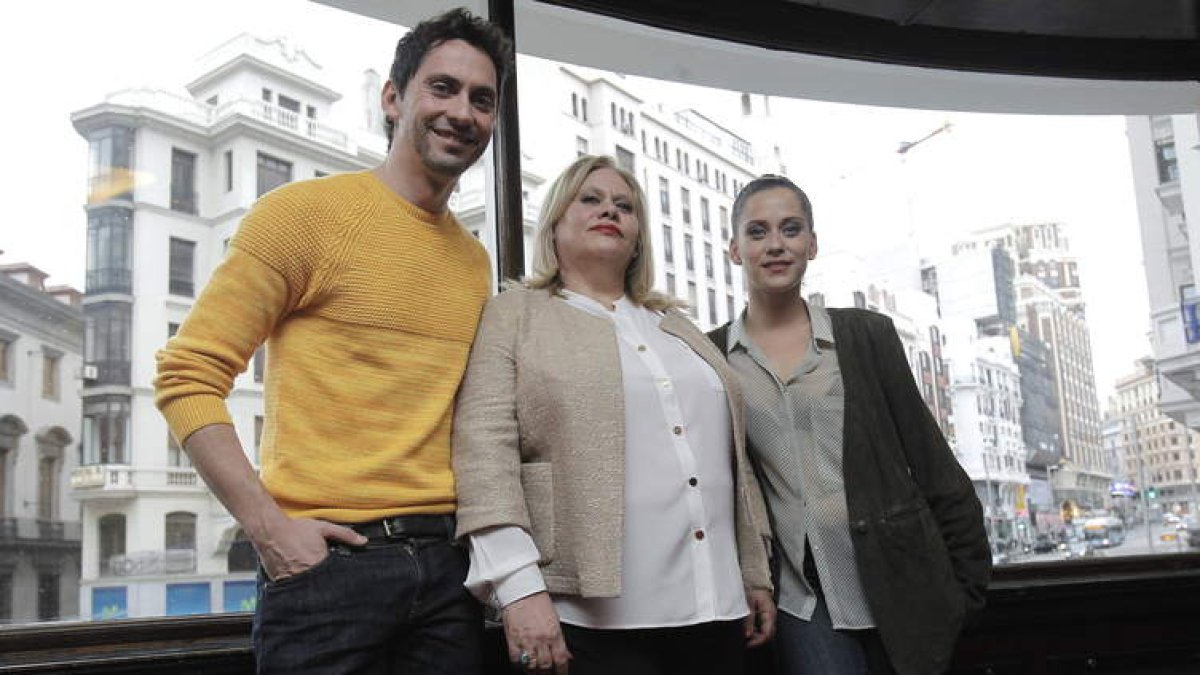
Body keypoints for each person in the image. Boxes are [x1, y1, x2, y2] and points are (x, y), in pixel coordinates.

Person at [153, 9, 513, 673]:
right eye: (442, 87)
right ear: (393, 97)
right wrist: (268, 528)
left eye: (481, 99)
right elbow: (187, 375)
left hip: (447, 573)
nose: (462, 111)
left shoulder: (472, 262)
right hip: (327, 571)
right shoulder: (302, 215)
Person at [452, 155, 776, 675]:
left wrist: (753, 570)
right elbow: (484, 456)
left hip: (716, 611)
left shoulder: (678, 326)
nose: (610, 211)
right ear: (555, 220)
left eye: (625, 206)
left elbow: (731, 456)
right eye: (590, 198)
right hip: (587, 621)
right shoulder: (513, 314)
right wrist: (516, 588)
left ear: (638, 235)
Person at [707, 175, 991, 675]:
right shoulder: (712, 357)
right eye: (757, 232)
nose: (775, 244)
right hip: (802, 597)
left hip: (902, 578)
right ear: (734, 249)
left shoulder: (865, 336)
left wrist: (964, 589)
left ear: (812, 244)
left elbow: (933, 464)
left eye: (791, 229)